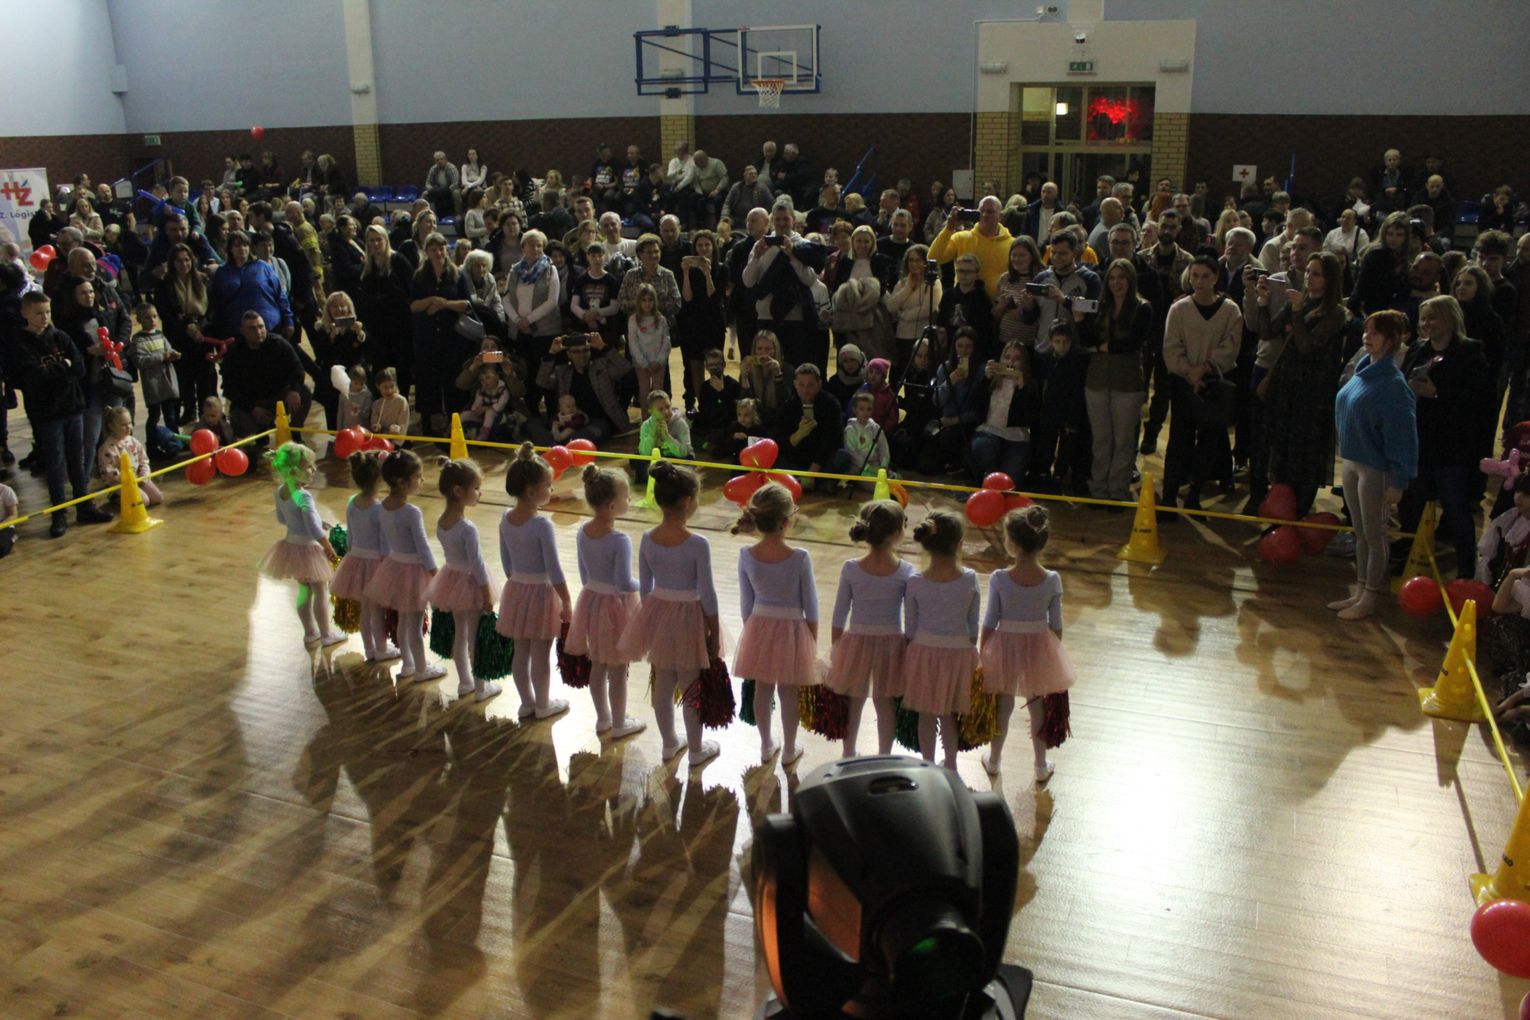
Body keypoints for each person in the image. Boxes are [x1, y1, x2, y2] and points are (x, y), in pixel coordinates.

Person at [615, 462, 723, 769]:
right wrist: (714, 631)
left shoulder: (648, 538)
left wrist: (650, 621)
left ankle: (668, 743)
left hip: (658, 613)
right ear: (687, 502)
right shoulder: (698, 544)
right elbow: (708, 593)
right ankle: (696, 749)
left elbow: (646, 587)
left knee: (663, 682)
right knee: (690, 684)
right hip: (689, 618)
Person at [1399, 295, 1496, 579]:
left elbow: (1478, 400)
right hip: (1420, 440)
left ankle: (1467, 569)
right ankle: (1411, 556)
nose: (1427, 323)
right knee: (1415, 503)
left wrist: (1437, 393)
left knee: (1455, 507)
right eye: (1424, 318)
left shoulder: (1470, 352)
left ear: (1450, 319)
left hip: (1452, 445)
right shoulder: (1418, 349)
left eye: (1433, 317)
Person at [1330, 311, 1418, 620]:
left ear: (1392, 340)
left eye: (1376, 332)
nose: (1367, 336)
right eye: (1367, 330)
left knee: (1374, 533)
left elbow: (1404, 436)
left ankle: (1371, 595)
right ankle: (1360, 589)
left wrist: (1400, 479)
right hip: (1353, 461)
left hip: (1375, 468)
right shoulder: (1363, 370)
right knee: (1360, 532)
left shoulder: (1394, 386)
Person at [1247, 251, 1348, 517]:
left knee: (1304, 454)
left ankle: (1299, 509)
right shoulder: (1300, 303)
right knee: (1281, 449)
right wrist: (1263, 301)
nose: (1309, 278)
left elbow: (1307, 347)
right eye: (1308, 272)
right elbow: (1267, 332)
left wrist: (1298, 312)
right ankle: (1280, 507)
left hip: (1312, 392)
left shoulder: (1336, 313)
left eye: (1317, 274)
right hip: (1287, 386)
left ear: (1330, 280)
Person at [980, 505, 1075, 783]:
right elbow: (1056, 624)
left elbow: (990, 621)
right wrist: (1052, 653)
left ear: (1011, 542)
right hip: (1039, 647)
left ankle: (994, 761)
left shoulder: (999, 578)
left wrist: (984, 653)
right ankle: (1040, 765)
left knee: (1003, 706)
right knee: (1037, 708)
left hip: (1004, 647)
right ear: (1042, 542)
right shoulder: (1052, 580)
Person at [732, 482, 818, 767]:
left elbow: (746, 603)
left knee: (763, 689)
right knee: (789, 693)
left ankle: (766, 744)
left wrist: (752, 632)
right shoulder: (799, 557)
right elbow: (811, 607)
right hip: (793, 631)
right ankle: (790, 748)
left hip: (759, 627)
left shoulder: (746, 554)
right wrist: (811, 641)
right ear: (786, 521)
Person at [826, 500, 911, 757]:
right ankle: (884, 755)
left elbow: (839, 613)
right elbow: (911, 618)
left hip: (856, 643)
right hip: (891, 645)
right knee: (885, 704)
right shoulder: (906, 571)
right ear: (896, 534)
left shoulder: (851, 568)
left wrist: (836, 647)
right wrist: (909, 647)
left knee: (855, 701)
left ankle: (848, 752)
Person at [495, 443, 573, 719]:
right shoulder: (541, 524)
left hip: (516, 590)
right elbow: (554, 568)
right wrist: (566, 599)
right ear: (531, 491)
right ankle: (542, 705)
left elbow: (506, 561)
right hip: (541, 593)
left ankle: (527, 702)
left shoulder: (505, 518)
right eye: (548, 486)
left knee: (521, 652)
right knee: (541, 653)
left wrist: (518, 583)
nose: (551, 490)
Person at [568, 465, 645, 738]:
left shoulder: (583, 531)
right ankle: (620, 724)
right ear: (612, 506)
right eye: (627, 496)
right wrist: (646, 585)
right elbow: (624, 583)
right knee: (618, 667)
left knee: (598, 664)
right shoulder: (619, 540)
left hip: (591, 602)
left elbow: (584, 573)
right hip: (615, 607)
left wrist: (594, 592)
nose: (630, 500)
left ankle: (603, 719)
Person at [1160, 256, 1242, 513]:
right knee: (1179, 439)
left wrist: (1205, 368)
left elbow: (1230, 347)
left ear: (1216, 277)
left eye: (1205, 276)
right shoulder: (1179, 309)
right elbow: (1171, 346)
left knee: (1209, 439)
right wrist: (1189, 372)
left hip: (1214, 382)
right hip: (1183, 382)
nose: (1199, 281)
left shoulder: (1230, 311)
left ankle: (1195, 494)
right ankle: (1169, 496)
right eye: (1195, 276)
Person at [901, 510, 981, 771]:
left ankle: (927, 764)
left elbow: (910, 629)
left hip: (924, 652)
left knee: (926, 713)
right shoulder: (970, 579)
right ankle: (952, 765)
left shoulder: (915, 582)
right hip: (959, 653)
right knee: (948, 713)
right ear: (959, 544)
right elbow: (973, 628)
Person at [363, 450, 446, 681]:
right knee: (415, 625)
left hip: (395, 567)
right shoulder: (411, 512)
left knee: (403, 620)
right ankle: (421, 669)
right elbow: (423, 547)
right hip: (414, 570)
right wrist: (435, 574)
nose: (422, 480)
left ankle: (408, 664)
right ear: (401, 482)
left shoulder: (382, 507)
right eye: (418, 476)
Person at [426, 458, 501, 702]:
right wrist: (486, 593)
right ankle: (480, 687)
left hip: (451, 581)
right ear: (459, 491)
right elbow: (477, 565)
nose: (480, 493)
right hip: (470, 584)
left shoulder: (441, 523)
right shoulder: (467, 528)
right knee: (475, 637)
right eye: (476, 488)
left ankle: (465, 683)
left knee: (460, 635)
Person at [259, 442, 344, 646]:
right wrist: (329, 548)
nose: (314, 470)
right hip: (310, 549)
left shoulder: (280, 492)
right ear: (294, 471)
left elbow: (282, 519)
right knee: (320, 592)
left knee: (304, 592)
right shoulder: (304, 496)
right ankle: (326, 635)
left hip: (291, 546)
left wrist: (314, 521)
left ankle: (310, 633)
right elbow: (314, 530)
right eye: (309, 467)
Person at [1085, 258, 1152, 502]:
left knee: (1123, 440)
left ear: (1131, 280)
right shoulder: (1100, 306)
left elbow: (1133, 343)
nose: (1116, 283)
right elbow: (1087, 340)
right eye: (1112, 278)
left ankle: (1118, 491)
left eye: (1121, 277)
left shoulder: (1143, 307)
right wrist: (1080, 320)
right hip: (1097, 379)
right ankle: (1098, 488)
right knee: (1100, 439)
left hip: (1127, 381)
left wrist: (1103, 347)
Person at [330, 451, 398, 663]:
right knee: (376, 611)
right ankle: (381, 649)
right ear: (379, 480)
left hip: (355, 560)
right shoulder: (379, 508)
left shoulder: (352, 502)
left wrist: (352, 552)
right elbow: (385, 543)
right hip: (375, 564)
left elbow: (350, 535)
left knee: (365, 611)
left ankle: (370, 649)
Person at [743, 199, 824, 371]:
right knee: (765, 367)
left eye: (785, 219)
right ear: (772, 221)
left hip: (796, 318)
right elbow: (748, 281)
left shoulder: (803, 245)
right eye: (778, 219)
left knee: (795, 366)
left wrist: (792, 254)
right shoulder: (761, 245)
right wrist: (756, 257)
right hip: (767, 316)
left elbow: (810, 280)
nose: (781, 223)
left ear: (793, 219)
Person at [221, 311, 311, 439]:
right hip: (252, 402)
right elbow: (230, 388)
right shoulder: (234, 353)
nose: (258, 332)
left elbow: (297, 369)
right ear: (243, 331)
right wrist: (252, 408)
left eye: (261, 327)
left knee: (303, 393)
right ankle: (261, 431)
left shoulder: (279, 344)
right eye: (252, 328)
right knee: (238, 422)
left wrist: (294, 390)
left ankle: (295, 431)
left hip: (278, 397)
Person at [676, 230, 729, 414]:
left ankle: (718, 402)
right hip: (693, 324)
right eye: (700, 245)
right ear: (695, 248)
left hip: (714, 323)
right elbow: (687, 297)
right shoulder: (689, 269)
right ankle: (701, 405)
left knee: (715, 364)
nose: (704, 248)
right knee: (694, 366)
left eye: (707, 245)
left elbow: (714, 297)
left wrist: (708, 275)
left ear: (713, 247)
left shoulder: (722, 269)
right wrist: (685, 273)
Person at [209, 231, 292, 340]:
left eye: (245, 245)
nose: (242, 248)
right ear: (230, 249)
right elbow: (217, 302)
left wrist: (288, 320)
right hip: (237, 332)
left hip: (270, 329)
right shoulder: (222, 272)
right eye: (237, 245)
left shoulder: (263, 267)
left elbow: (280, 295)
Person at [930, 195, 1013, 299]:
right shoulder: (961, 238)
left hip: (999, 305)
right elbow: (933, 258)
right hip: (964, 303)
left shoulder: (1012, 244)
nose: (985, 215)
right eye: (981, 211)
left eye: (990, 212)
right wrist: (949, 229)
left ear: (1000, 216)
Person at [884, 244, 941, 386]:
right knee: (897, 376)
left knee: (917, 378)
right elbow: (891, 306)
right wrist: (908, 288)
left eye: (918, 260)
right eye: (911, 260)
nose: (914, 264)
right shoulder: (903, 282)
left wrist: (903, 314)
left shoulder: (934, 283)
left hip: (922, 337)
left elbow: (928, 309)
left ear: (925, 262)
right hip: (902, 337)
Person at [773, 363, 842, 478]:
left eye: (811, 385)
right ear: (795, 384)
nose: (805, 390)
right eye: (801, 385)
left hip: (821, 463)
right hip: (795, 460)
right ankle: (808, 481)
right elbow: (779, 441)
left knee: (842, 457)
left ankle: (802, 480)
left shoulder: (831, 404)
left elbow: (832, 441)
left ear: (819, 384)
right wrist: (798, 435)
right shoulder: (788, 406)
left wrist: (812, 473)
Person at [129, 302, 180, 436]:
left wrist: (173, 355)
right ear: (139, 320)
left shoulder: (160, 335)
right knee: (154, 416)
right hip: (153, 385)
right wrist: (161, 356)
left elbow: (168, 350)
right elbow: (140, 361)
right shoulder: (138, 340)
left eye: (154, 316)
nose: (152, 320)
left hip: (167, 382)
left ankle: (175, 440)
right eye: (147, 317)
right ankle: (151, 443)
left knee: (171, 415)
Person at [96, 405, 162, 506]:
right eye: (123, 425)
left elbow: (143, 460)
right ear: (111, 426)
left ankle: (137, 491)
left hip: (137, 478)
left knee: (157, 498)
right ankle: (115, 496)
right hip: (121, 483)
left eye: (130, 423)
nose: (128, 427)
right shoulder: (108, 448)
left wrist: (144, 475)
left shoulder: (133, 441)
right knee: (143, 502)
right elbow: (110, 472)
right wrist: (128, 479)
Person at [627, 282, 671, 411]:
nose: (647, 303)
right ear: (639, 302)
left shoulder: (661, 319)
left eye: (650, 300)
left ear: (655, 301)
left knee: (658, 392)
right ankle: (646, 418)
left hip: (658, 362)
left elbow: (666, 341)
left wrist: (659, 360)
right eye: (644, 300)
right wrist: (643, 362)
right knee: (644, 392)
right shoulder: (633, 320)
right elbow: (633, 343)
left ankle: (659, 419)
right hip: (641, 363)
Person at [424, 151, 459, 220]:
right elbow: (427, 183)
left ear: (446, 159)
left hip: (449, 189)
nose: (440, 161)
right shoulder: (433, 169)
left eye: (441, 159)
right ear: (435, 161)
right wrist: (431, 190)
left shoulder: (451, 168)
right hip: (437, 189)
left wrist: (446, 190)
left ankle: (458, 214)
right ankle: (427, 216)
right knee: (425, 194)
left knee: (456, 193)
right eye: (437, 160)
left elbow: (455, 183)